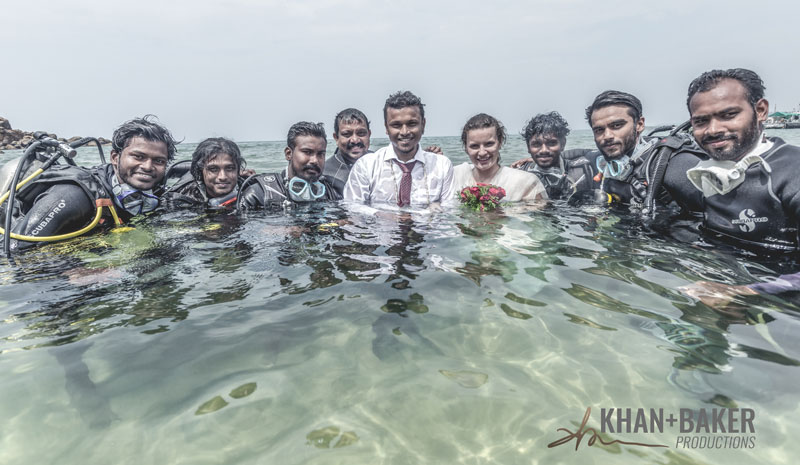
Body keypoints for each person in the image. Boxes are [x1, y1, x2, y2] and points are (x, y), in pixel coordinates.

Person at [677, 68, 800, 304]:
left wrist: (743, 292)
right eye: (701, 121)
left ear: (760, 110)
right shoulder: (704, 175)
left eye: (729, 115)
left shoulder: (793, 171)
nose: (713, 130)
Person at [3, 115, 177, 251]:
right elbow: (14, 251)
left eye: (159, 161)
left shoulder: (155, 195)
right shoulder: (72, 196)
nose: (148, 167)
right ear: (115, 157)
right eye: (138, 157)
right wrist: (73, 271)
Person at [584, 90, 706, 213]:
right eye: (599, 130)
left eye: (617, 125)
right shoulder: (603, 166)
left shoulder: (676, 165)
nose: (607, 136)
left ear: (639, 124)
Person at [343, 91, 454, 210]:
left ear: (423, 125)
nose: (404, 132)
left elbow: (450, 209)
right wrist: (379, 214)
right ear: (386, 128)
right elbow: (352, 207)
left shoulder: (442, 166)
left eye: (412, 124)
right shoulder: (366, 165)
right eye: (396, 125)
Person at [238, 121, 340, 209]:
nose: (315, 160)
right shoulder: (258, 194)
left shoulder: (331, 193)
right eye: (307, 152)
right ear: (288, 154)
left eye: (320, 154)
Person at [452, 113, 546, 201]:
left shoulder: (525, 182)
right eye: (474, 146)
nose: (482, 152)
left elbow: (539, 212)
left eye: (489, 144)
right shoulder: (454, 176)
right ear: (466, 147)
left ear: (500, 142)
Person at [513, 111, 599, 200]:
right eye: (536, 144)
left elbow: (599, 152)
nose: (544, 150)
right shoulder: (520, 174)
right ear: (528, 147)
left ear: (563, 144)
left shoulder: (584, 170)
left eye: (551, 143)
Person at [162, 137, 247, 209]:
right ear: (200, 171)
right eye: (213, 169)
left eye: (230, 168)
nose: (223, 177)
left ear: (238, 170)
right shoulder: (181, 201)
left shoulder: (248, 189)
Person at [323, 108, 374, 197]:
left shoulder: (382, 164)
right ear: (336, 138)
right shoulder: (325, 174)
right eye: (347, 134)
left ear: (369, 134)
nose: (355, 140)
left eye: (361, 133)